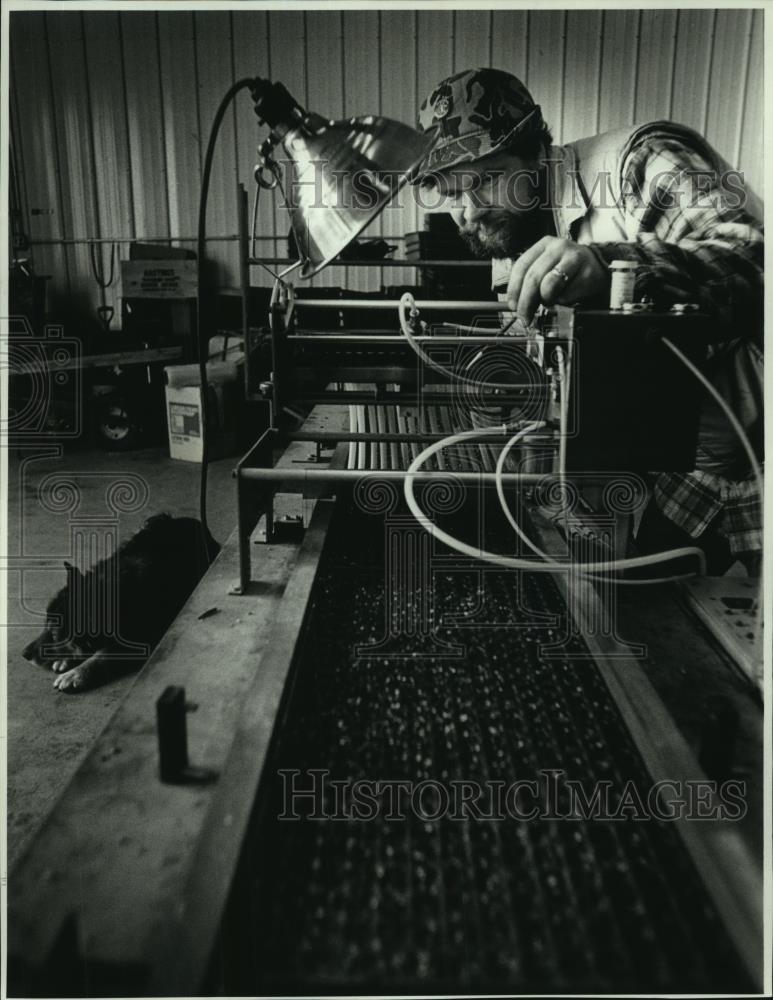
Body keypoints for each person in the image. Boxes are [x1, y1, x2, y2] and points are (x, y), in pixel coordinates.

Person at [409, 68, 763, 575]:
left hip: (758, 456)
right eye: (451, 194)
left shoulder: (640, 163)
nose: (469, 212)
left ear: (537, 150)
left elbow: (755, 263)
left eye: (485, 180)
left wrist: (612, 266)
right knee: (663, 611)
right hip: (682, 472)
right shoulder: (515, 234)